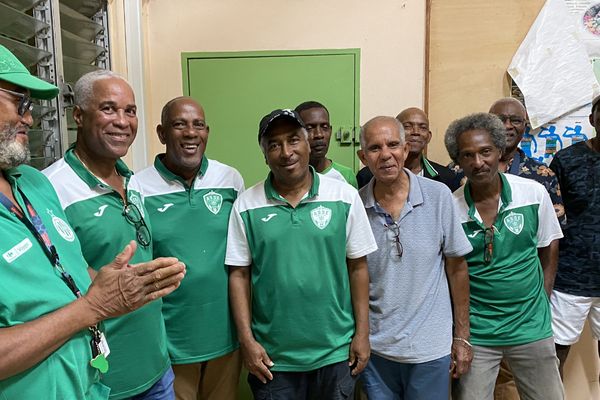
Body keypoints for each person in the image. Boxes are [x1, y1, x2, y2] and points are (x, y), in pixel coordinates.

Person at [0, 44, 185, 400]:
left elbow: (66, 271)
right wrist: (95, 306)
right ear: (79, 117)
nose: (30, 119)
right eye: (20, 103)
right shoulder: (57, 181)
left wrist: (129, 284)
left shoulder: (32, 184)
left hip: (100, 381)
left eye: (130, 110)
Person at [226, 108, 377, 400]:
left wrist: (362, 333)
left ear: (308, 145)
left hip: (336, 352)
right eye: (274, 144)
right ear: (264, 154)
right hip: (273, 358)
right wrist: (246, 340)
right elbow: (239, 274)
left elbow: (358, 267)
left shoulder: (343, 196)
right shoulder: (246, 205)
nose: (286, 152)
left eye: (294, 140)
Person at [44, 70, 175, 399]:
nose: (122, 121)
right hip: (100, 380)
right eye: (108, 108)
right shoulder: (51, 190)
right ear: (78, 115)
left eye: (130, 111)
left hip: (157, 369)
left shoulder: (133, 180)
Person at [129, 97, 244, 400]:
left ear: (207, 132)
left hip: (225, 338)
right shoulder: (137, 187)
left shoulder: (230, 179)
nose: (191, 133)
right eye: (179, 124)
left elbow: (242, 255)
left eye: (198, 125)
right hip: (171, 342)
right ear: (162, 133)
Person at [445, 113, 564, 400]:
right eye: (467, 155)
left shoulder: (533, 194)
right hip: (479, 332)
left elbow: (549, 248)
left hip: (531, 327)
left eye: (485, 151)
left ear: (499, 151)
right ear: (458, 161)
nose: (478, 162)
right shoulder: (451, 208)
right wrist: (461, 334)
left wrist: (542, 302)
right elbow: (453, 271)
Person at [357, 116, 473, 399]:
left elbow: (457, 269)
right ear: (363, 157)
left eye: (393, 145)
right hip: (376, 350)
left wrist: (461, 337)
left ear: (406, 149)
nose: (386, 154)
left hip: (430, 349)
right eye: (375, 148)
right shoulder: (355, 206)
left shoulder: (439, 196)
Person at [486, 97, 566, 399]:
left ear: (525, 126)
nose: (507, 126)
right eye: (500, 119)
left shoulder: (541, 176)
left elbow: (551, 244)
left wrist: (542, 298)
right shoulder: (463, 168)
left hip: (526, 307)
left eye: (515, 120)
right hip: (482, 309)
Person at [549, 94, 600, 380]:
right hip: (570, 279)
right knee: (556, 353)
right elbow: (552, 219)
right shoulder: (567, 160)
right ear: (593, 120)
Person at [356, 107, 460, 190]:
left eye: (422, 127)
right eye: (407, 126)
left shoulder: (446, 177)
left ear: (429, 136)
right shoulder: (366, 176)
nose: (416, 132)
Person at [295, 101, 358, 187]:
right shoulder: (289, 176)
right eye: (309, 128)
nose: (319, 134)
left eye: (325, 127)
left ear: (330, 131)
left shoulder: (346, 176)